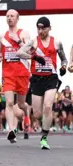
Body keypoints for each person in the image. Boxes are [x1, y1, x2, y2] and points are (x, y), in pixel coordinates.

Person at [17, 16, 68, 150]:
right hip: (37, 79)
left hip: (51, 78)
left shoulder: (56, 42)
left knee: (47, 106)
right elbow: (19, 52)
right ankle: (43, 123)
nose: (40, 31)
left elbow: (64, 59)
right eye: (38, 28)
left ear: (49, 28)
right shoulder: (33, 42)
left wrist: (63, 68)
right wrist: (34, 57)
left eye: (43, 28)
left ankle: (44, 138)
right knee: (38, 114)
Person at [0, 9, 31, 143]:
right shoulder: (2, 36)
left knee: (21, 104)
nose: (9, 18)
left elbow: (30, 51)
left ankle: (26, 115)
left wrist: (18, 41)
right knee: (9, 102)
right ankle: (11, 130)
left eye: (12, 16)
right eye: (7, 16)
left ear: (17, 18)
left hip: (22, 73)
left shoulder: (24, 33)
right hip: (8, 73)